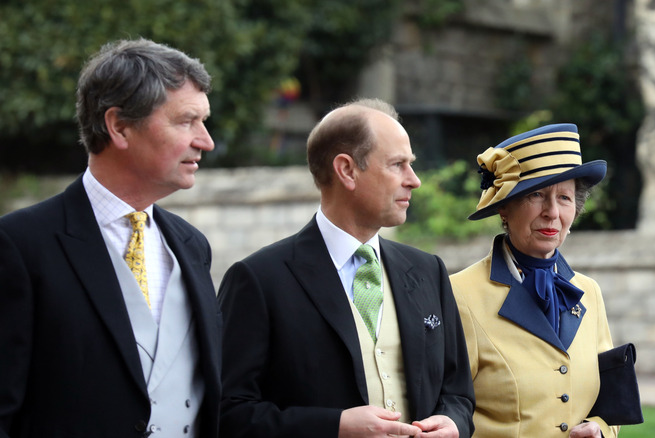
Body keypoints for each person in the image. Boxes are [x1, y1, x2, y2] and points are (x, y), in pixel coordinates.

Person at [0, 39, 221, 437]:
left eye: (203, 122)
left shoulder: (193, 245)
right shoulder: (19, 245)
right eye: (186, 121)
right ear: (118, 126)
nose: (205, 141)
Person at [218, 98, 475, 438]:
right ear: (347, 170)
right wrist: (334, 427)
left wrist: (453, 422)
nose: (414, 180)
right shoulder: (259, 279)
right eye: (397, 164)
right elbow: (228, 413)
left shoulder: (429, 271)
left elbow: (457, 392)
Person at [449, 123, 620, 438]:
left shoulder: (589, 292)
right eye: (537, 195)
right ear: (504, 206)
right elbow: (449, 407)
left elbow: (609, 398)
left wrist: (601, 429)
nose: (552, 212)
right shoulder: (460, 294)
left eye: (565, 198)